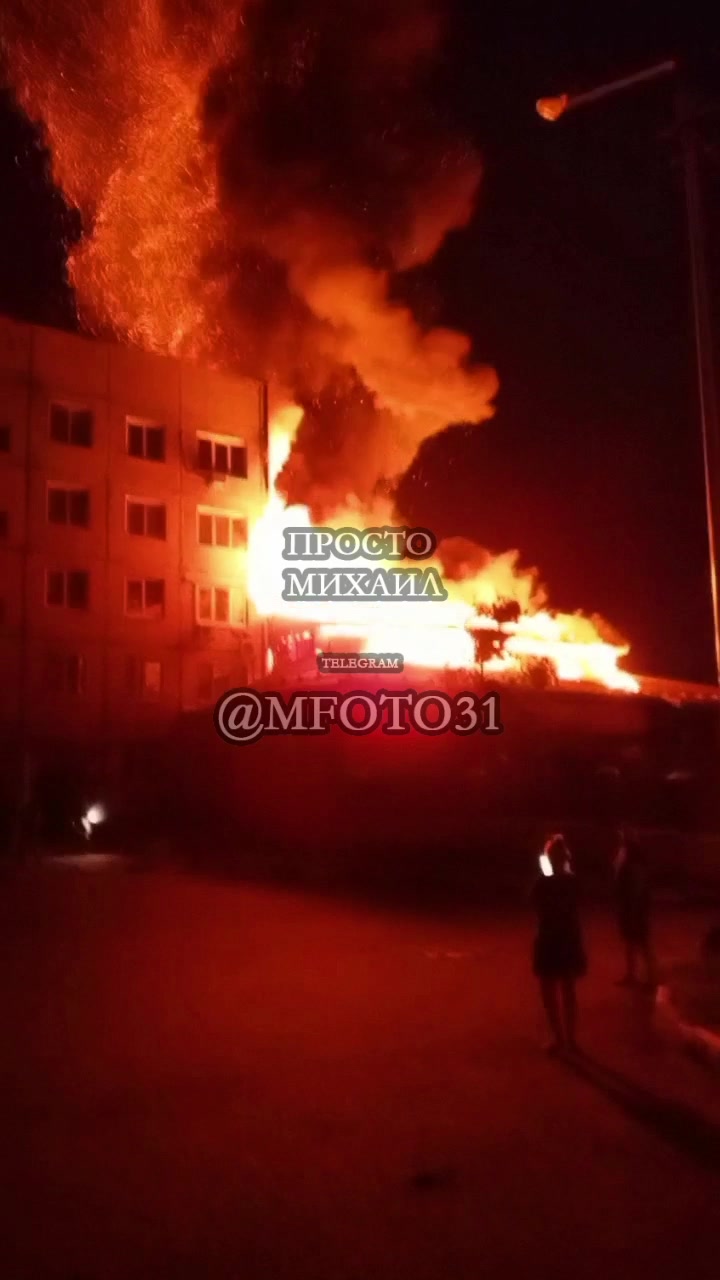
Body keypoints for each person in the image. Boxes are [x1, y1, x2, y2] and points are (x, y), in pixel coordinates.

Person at [531, 834, 587, 1053]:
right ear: (566, 858)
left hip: (549, 940)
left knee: (549, 990)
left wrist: (547, 878)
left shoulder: (543, 883)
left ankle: (559, 1038)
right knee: (568, 989)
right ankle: (571, 1039)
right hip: (569, 939)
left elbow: (537, 907)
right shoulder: (573, 882)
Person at [613, 828, 658, 988]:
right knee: (632, 942)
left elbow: (636, 889)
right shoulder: (630, 859)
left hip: (635, 909)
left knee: (642, 942)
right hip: (631, 907)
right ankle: (634, 975)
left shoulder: (634, 863)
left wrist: (632, 910)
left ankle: (652, 977)